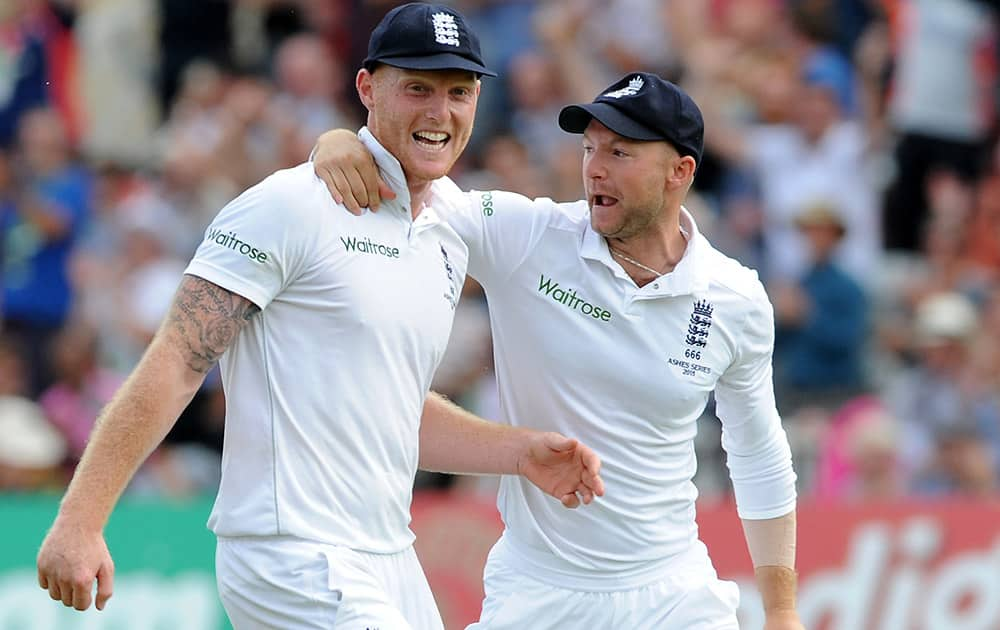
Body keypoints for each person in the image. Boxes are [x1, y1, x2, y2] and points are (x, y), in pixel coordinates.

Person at [35, 5, 604, 630]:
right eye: (417, 88)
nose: (441, 111)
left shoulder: (449, 228)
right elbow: (177, 361)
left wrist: (518, 452)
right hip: (289, 551)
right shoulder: (288, 205)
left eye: (458, 92)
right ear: (366, 88)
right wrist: (81, 520)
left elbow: (396, 410)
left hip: (390, 552)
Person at [314, 72, 804, 629]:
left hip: (674, 595)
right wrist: (343, 142)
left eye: (620, 152)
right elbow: (413, 188)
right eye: (590, 147)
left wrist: (783, 610)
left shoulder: (734, 297)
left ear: (680, 171)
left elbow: (759, 453)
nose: (595, 167)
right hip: (537, 594)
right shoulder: (530, 236)